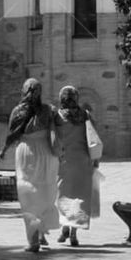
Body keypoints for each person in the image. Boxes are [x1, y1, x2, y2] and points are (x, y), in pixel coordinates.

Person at [0, 78, 59, 253]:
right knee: (45, 192)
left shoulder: (18, 111)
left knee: (28, 195)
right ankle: (41, 233)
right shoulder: (48, 110)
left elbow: (12, 135)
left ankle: (33, 240)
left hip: (28, 152)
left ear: (23, 91)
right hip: (47, 153)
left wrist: (3, 150)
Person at [53, 86, 101, 246]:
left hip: (64, 161)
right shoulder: (85, 115)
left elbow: (53, 138)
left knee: (64, 195)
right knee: (79, 197)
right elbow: (93, 137)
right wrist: (95, 159)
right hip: (83, 161)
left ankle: (65, 228)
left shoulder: (58, 116)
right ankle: (73, 233)